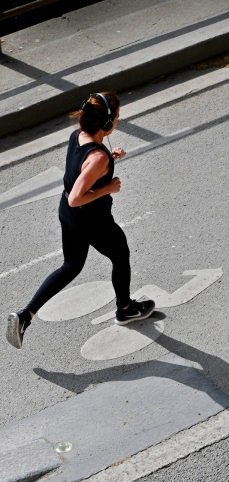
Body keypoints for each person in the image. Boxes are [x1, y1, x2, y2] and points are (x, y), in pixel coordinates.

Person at [6, 91, 155, 349]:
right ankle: (125, 308)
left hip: (68, 214)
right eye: (117, 118)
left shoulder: (78, 135)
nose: (118, 121)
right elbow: (78, 195)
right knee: (121, 255)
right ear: (107, 123)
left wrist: (111, 158)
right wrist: (106, 188)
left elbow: (83, 169)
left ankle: (24, 316)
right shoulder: (98, 157)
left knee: (71, 266)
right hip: (91, 219)